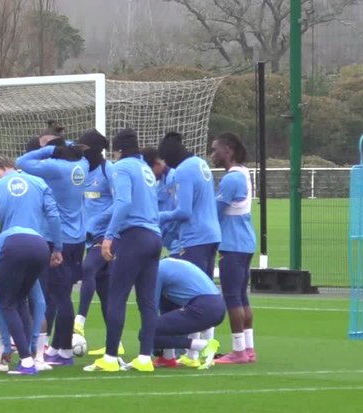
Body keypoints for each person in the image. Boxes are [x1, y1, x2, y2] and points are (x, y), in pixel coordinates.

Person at [84, 128, 161, 374]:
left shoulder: (121, 168)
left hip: (134, 236)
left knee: (116, 295)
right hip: (154, 236)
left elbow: (123, 202)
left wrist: (108, 235)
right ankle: (145, 357)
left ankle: (110, 357)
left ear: (117, 150)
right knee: (147, 300)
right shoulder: (145, 169)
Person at [0, 157, 62, 367]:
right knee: (36, 300)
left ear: (4, 168)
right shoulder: (39, 183)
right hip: (39, 246)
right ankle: (38, 356)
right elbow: (53, 215)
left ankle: (6, 356)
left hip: (8, 250)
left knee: (6, 301)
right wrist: (58, 247)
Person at [17, 125, 89, 365]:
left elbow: (22, 161)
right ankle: (57, 347)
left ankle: (64, 350)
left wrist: (47, 150)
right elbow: (74, 151)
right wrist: (63, 145)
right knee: (63, 292)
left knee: (57, 295)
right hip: (78, 238)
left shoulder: (54, 166)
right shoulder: (82, 165)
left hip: (58, 238)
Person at [211, 132, 258, 364]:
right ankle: (248, 348)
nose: (213, 155)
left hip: (233, 243)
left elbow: (214, 212)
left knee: (232, 297)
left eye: (215, 150)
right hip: (245, 242)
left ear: (227, 151)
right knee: (241, 296)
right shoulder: (244, 174)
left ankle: (238, 350)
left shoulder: (231, 179)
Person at [0, 226, 51, 376]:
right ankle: (29, 357)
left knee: (7, 305)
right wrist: (33, 344)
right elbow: (39, 302)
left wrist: (6, 345)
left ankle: (26, 361)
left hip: (15, 246)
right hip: (42, 246)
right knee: (20, 301)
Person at [157, 132, 221, 278]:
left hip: (195, 237)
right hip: (212, 234)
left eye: (166, 159)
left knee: (192, 290)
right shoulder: (200, 163)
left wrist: (159, 216)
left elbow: (184, 212)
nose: (167, 164)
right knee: (206, 289)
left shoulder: (183, 170)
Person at [73, 129, 114, 351]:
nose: (82, 154)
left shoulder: (110, 171)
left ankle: (79, 323)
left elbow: (121, 203)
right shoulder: (81, 171)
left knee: (88, 269)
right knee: (104, 289)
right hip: (89, 238)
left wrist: (96, 223)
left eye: (85, 150)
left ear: (97, 151)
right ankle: (114, 345)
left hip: (109, 237)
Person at [151, 257, 224, 368]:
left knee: (148, 333)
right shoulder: (167, 265)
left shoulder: (156, 271)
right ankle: (168, 357)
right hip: (216, 305)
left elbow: (151, 308)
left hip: (203, 307)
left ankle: (203, 345)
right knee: (160, 325)